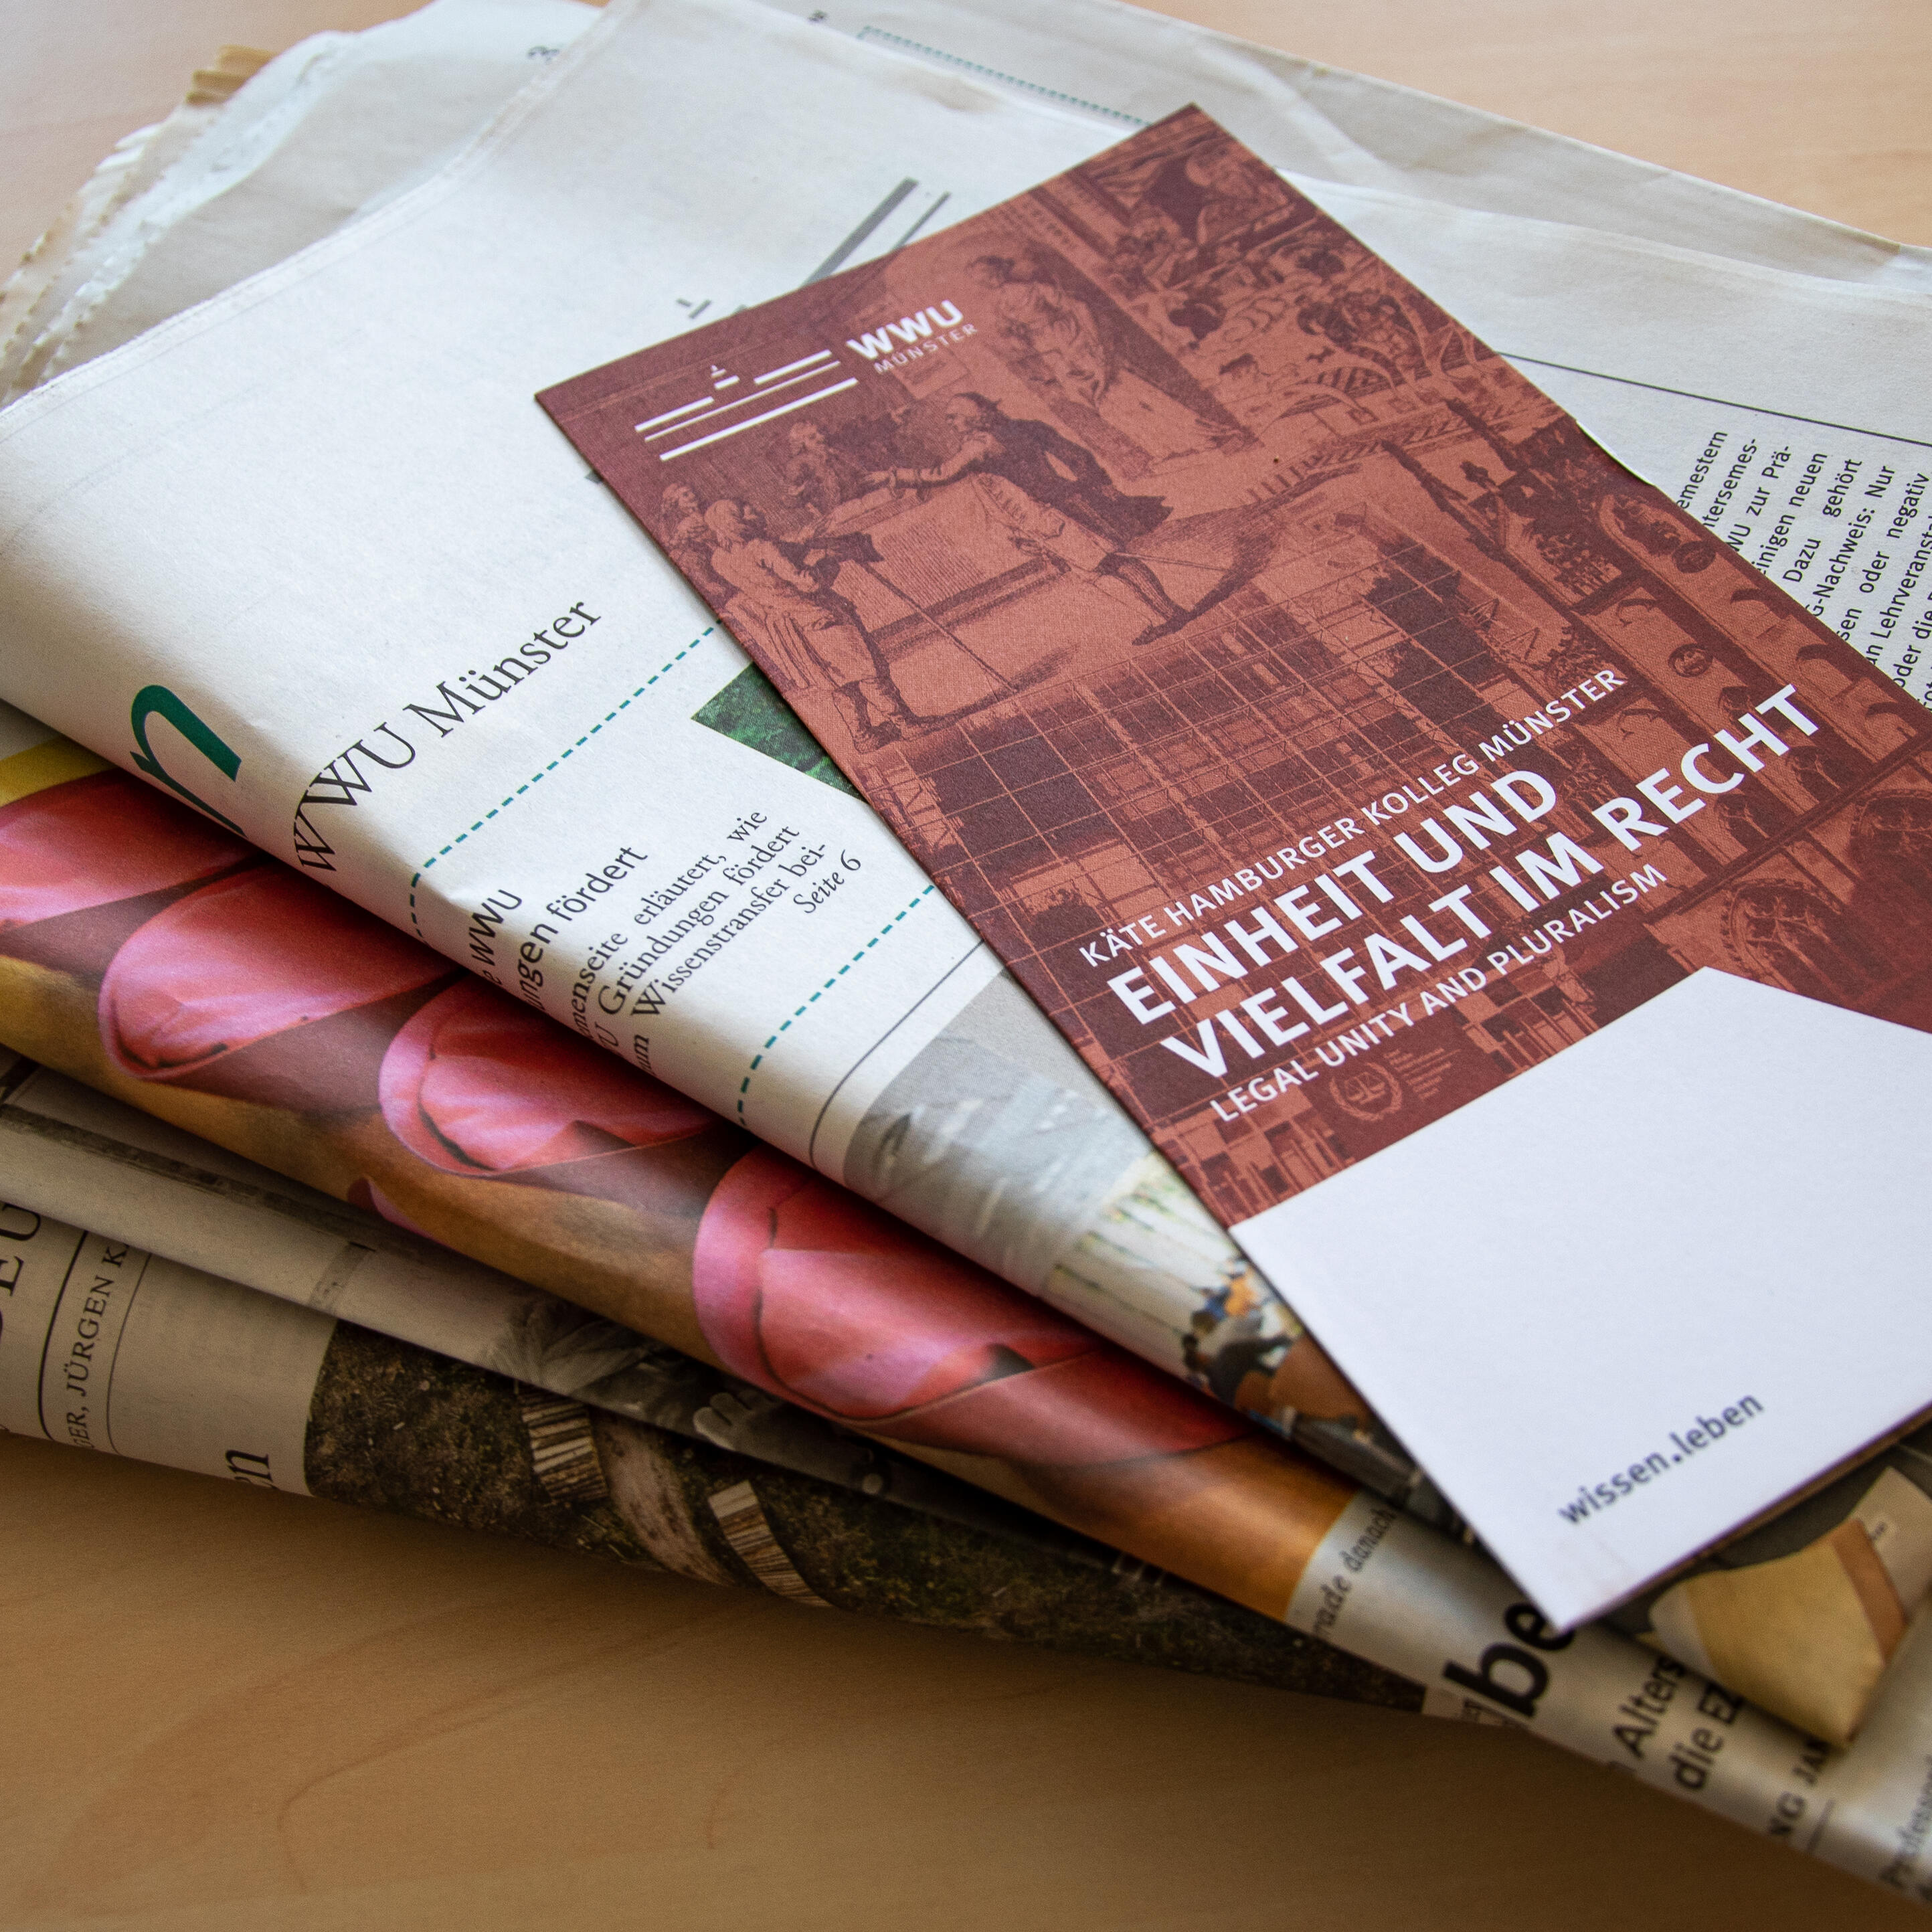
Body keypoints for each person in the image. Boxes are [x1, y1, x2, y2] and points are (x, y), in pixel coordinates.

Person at [871, 392, 1187, 642]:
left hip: (1044, 516)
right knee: (1111, 561)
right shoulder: (1025, 427)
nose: (951, 422)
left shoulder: (982, 444)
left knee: (1097, 569)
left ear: (975, 415)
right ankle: (1167, 612)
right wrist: (1100, 486)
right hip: (1061, 505)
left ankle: (1163, 616)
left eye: (955, 416)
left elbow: (942, 474)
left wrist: (892, 476)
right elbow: (1078, 456)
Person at [966, 254, 1228, 462]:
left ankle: (1195, 435)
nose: (989, 282)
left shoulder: (1035, 288)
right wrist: (1023, 342)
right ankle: (1161, 446)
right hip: (1050, 350)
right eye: (982, 280)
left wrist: (1093, 340)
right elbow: (1011, 338)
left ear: (1000, 270)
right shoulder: (999, 307)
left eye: (989, 274)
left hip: (1069, 337)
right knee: (1097, 400)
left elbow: (1079, 307)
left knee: (1120, 385)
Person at [702, 499, 909, 751]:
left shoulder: (720, 559)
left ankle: (863, 737)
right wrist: (828, 560)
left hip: (789, 625)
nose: (755, 511)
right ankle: (907, 724)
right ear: (736, 522)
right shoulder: (763, 548)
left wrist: (801, 542)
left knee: (836, 680)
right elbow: (808, 583)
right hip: (819, 615)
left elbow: (767, 572)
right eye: (746, 510)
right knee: (868, 669)